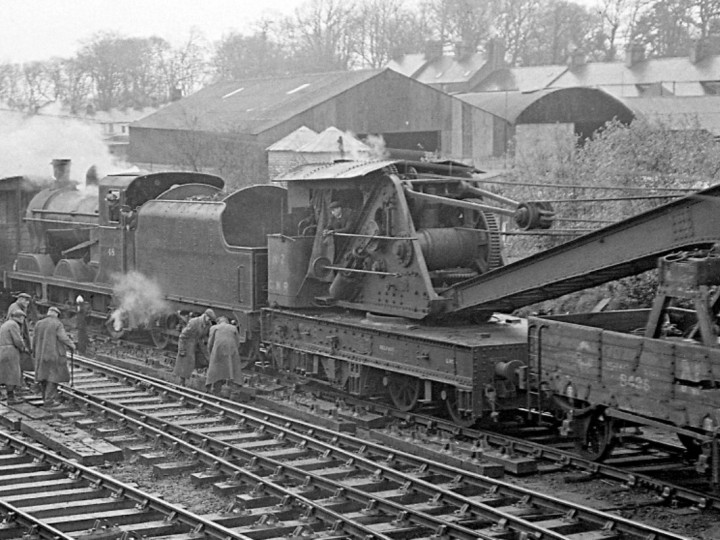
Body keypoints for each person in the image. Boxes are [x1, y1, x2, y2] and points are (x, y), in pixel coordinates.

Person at [33, 306, 76, 408]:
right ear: (56, 315)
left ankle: (45, 398)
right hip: (53, 355)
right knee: (53, 377)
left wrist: (35, 352)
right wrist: (72, 345)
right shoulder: (57, 323)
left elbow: (34, 339)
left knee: (43, 376)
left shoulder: (39, 323)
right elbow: (63, 337)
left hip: (41, 355)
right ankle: (49, 400)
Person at [173, 309, 216, 386]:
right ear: (205, 316)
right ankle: (181, 382)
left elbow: (204, 336)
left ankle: (203, 379)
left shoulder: (208, 325)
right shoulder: (194, 322)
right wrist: (182, 348)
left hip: (198, 343)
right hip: (188, 343)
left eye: (211, 320)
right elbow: (183, 336)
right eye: (209, 319)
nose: (209, 321)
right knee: (186, 362)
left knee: (206, 359)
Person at [205, 316, 242, 395]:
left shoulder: (214, 328)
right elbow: (238, 342)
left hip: (218, 350)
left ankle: (215, 389)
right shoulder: (233, 328)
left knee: (216, 369)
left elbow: (210, 343)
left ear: (218, 322)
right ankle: (234, 391)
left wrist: (210, 353)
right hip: (231, 350)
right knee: (233, 369)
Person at [0, 309, 29, 405]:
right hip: (10, 351)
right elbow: (17, 340)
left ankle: (7, 395)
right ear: (20, 317)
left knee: (5, 373)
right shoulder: (13, 325)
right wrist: (23, 348)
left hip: (2, 350)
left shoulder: (5, 324)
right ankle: (11, 397)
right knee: (12, 374)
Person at [6, 293, 33, 388]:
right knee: (16, 365)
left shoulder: (16, 307)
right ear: (20, 299)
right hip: (14, 342)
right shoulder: (16, 309)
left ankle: (19, 385)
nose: (28, 303)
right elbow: (20, 330)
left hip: (15, 340)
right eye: (26, 300)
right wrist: (24, 346)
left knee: (17, 364)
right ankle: (18, 386)